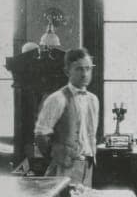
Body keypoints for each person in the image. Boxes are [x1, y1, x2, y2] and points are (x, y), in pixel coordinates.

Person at [34, 47, 99, 187]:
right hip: (64, 168)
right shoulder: (57, 99)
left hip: (87, 166)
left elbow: (91, 135)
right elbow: (40, 135)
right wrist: (58, 156)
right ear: (67, 71)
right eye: (79, 69)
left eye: (88, 69)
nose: (85, 74)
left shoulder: (93, 100)